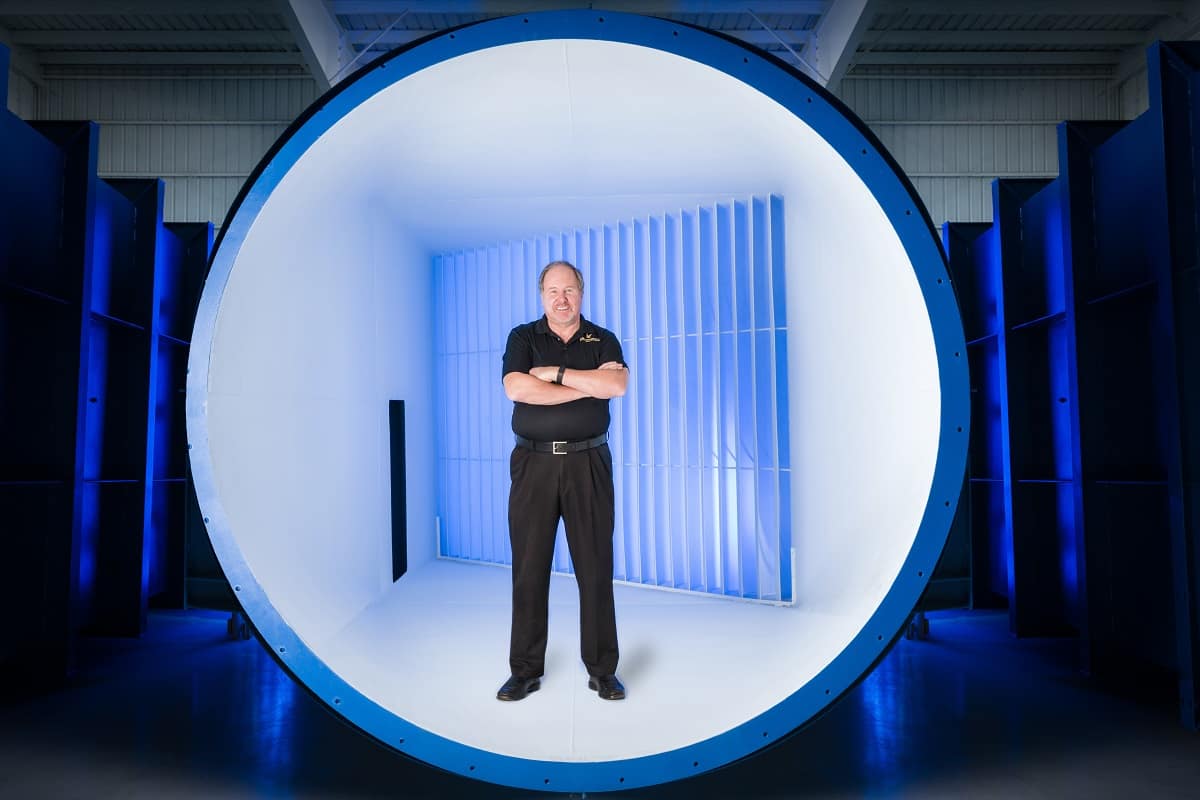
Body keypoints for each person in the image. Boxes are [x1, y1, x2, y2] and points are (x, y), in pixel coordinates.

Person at [496, 260, 629, 702]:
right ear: (542, 296)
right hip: (532, 466)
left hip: (588, 464)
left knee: (595, 569)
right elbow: (517, 389)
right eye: (553, 291)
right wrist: (591, 386)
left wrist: (554, 375)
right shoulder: (523, 337)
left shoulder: (602, 338)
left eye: (569, 290)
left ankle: (602, 670)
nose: (561, 299)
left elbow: (619, 385)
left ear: (581, 292)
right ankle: (525, 670)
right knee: (529, 569)